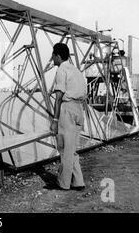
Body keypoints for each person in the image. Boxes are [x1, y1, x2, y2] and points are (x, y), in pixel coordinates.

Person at [49, 43, 87, 191]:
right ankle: (78, 182)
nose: (52, 58)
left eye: (53, 55)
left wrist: (55, 120)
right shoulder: (76, 70)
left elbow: (58, 98)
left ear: (58, 56)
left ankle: (63, 183)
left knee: (64, 149)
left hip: (68, 110)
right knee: (72, 149)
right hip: (79, 109)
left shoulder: (61, 70)